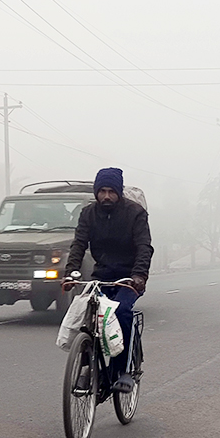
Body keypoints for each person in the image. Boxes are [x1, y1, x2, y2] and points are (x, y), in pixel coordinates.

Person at [64, 167, 153, 393]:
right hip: (101, 275)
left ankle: (123, 372)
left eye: (111, 191)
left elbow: (144, 247)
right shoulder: (88, 214)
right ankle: (87, 367)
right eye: (101, 191)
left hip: (129, 277)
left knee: (121, 311)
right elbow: (78, 244)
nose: (106, 196)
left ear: (119, 193)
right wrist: (70, 272)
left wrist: (139, 275)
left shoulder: (135, 214)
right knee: (89, 314)